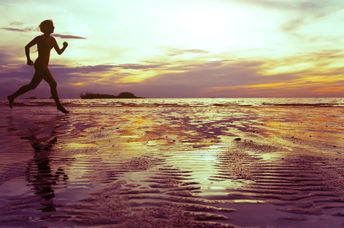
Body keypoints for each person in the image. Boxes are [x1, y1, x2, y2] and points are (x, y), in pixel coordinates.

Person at [8, 19, 69, 113]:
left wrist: (64, 47)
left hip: (44, 65)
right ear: (47, 28)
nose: (54, 28)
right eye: (52, 26)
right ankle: (59, 105)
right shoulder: (39, 38)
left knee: (32, 86)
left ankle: (12, 96)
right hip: (40, 64)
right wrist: (28, 59)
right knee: (53, 83)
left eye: (53, 26)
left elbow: (59, 52)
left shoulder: (52, 39)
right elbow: (27, 46)